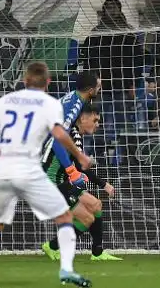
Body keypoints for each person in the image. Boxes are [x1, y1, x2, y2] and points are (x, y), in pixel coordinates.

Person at [0, 62, 92, 288]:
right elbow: (58, 134)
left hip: (2, 170)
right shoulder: (50, 103)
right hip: (29, 171)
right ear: (48, 83)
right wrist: (79, 157)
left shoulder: (6, 101)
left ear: (25, 81)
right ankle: (66, 269)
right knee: (64, 217)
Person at [41, 104, 122, 261]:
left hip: (60, 182)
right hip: (51, 184)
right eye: (95, 120)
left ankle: (97, 252)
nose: (98, 124)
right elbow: (81, 167)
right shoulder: (73, 134)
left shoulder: (72, 132)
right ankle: (53, 246)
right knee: (87, 219)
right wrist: (104, 184)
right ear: (83, 118)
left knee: (96, 205)